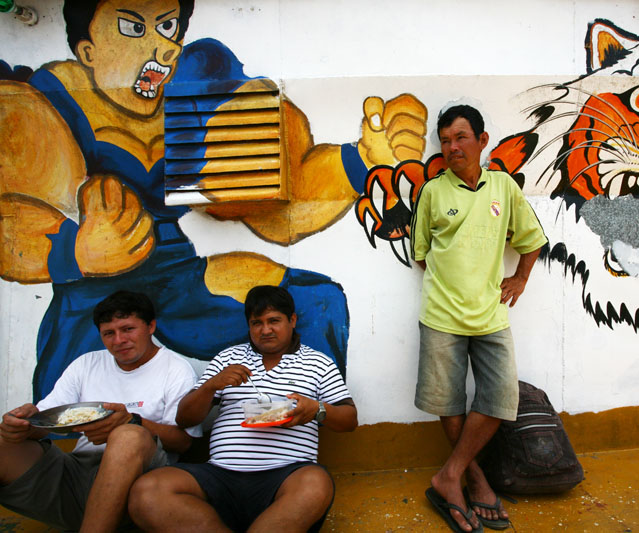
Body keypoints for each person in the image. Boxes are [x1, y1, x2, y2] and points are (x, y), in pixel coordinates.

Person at [0, 0, 426, 402]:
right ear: (88, 49)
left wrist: (359, 160)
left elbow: (281, 209)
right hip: (93, 288)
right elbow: (13, 219)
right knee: (61, 415)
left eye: (169, 27)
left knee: (316, 300)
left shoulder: (201, 84)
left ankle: (302, 425)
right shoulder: (45, 100)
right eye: (133, 27)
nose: (161, 46)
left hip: (178, 275)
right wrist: (72, 249)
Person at [410, 105, 548, 532]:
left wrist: (520, 278)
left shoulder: (503, 187)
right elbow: (420, 254)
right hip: (441, 315)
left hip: (490, 313)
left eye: (461, 137)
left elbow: (532, 239)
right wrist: (451, 282)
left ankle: (448, 475)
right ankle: (473, 478)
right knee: (448, 402)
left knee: (500, 396)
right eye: (445, 140)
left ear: (482, 141)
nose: (452, 147)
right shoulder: (432, 192)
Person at [129, 285, 358, 533]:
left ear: (292, 320)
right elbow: (184, 418)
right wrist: (211, 385)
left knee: (316, 484)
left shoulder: (318, 363)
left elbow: (349, 420)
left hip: (287, 477)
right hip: (219, 475)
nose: (265, 330)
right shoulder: (228, 358)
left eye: (274, 321)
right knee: (147, 492)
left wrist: (317, 410)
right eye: (256, 323)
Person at [0, 290, 201, 532]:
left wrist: (132, 420)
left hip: (141, 483)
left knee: (128, 435)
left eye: (128, 329)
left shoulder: (175, 369)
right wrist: (21, 425)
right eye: (109, 333)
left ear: (151, 326)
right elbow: (46, 422)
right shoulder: (86, 364)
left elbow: (183, 442)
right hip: (77, 473)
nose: (119, 340)